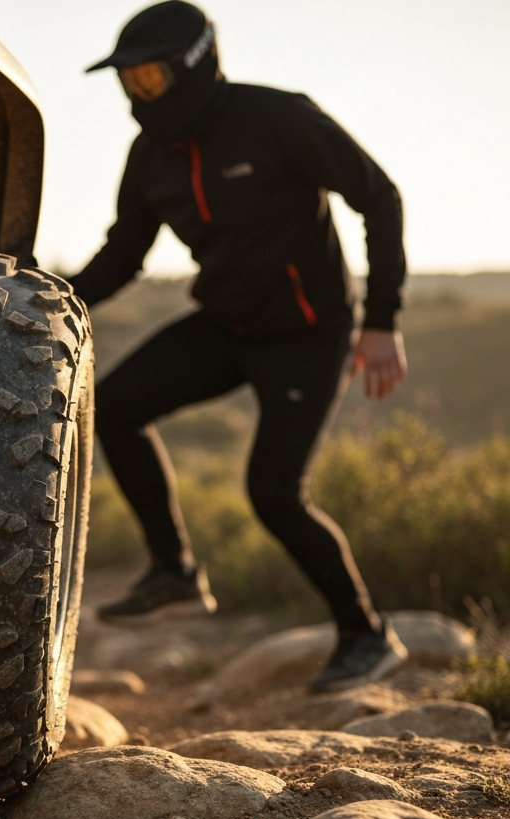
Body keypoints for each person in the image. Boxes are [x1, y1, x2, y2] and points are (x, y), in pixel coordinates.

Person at [71, 1, 409, 691]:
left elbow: (379, 196)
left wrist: (381, 320)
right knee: (115, 405)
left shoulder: (278, 118)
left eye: (151, 79)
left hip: (308, 333)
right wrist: (50, 297)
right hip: (227, 324)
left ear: (194, 67)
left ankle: (366, 635)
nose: (139, 94)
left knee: (275, 493)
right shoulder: (150, 155)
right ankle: (176, 573)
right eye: (129, 82)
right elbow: (123, 255)